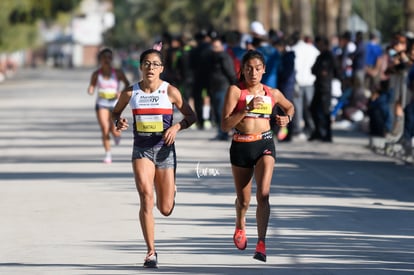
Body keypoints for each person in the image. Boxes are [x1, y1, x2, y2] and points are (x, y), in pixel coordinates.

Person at [111, 48, 196, 268]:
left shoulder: (170, 91)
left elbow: (191, 115)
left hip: (165, 150)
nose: (151, 68)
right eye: (147, 63)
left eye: (155, 64)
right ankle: (151, 252)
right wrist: (118, 122)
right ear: (140, 67)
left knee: (165, 209)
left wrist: (176, 127)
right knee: (146, 197)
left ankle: (171, 189)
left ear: (162, 68)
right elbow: (115, 112)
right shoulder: (130, 93)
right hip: (142, 150)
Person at [221, 50, 294, 262]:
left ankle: (261, 243)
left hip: (264, 144)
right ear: (242, 71)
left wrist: (286, 119)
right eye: (248, 68)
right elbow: (225, 124)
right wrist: (245, 109)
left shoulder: (273, 93)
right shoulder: (235, 91)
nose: (253, 72)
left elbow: (290, 107)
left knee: (263, 194)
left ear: (264, 70)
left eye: (257, 68)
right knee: (244, 200)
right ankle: (240, 224)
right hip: (241, 146)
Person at [87, 48, 130, 163]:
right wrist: (91, 90)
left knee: (114, 129)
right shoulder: (96, 74)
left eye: (109, 57)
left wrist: (121, 92)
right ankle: (108, 154)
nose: (107, 60)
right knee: (105, 128)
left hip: (115, 104)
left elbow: (127, 84)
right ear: (100, 59)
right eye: (104, 57)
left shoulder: (118, 73)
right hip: (101, 103)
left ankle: (116, 135)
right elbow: (91, 86)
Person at [309, 35, 340, 142]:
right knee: (313, 109)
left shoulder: (329, 56)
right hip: (319, 86)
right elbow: (313, 70)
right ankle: (318, 131)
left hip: (325, 88)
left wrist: (327, 75)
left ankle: (328, 134)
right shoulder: (321, 56)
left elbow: (336, 71)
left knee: (326, 112)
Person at [207, 37, 238, 140]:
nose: (214, 49)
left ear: (221, 47)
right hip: (214, 87)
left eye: (216, 47)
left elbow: (230, 72)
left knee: (222, 111)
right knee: (216, 110)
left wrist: (235, 85)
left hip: (223, 87)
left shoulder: (224, 57)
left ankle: (224, 132)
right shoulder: (212, 57)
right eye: (213, 46)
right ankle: (221, 132)